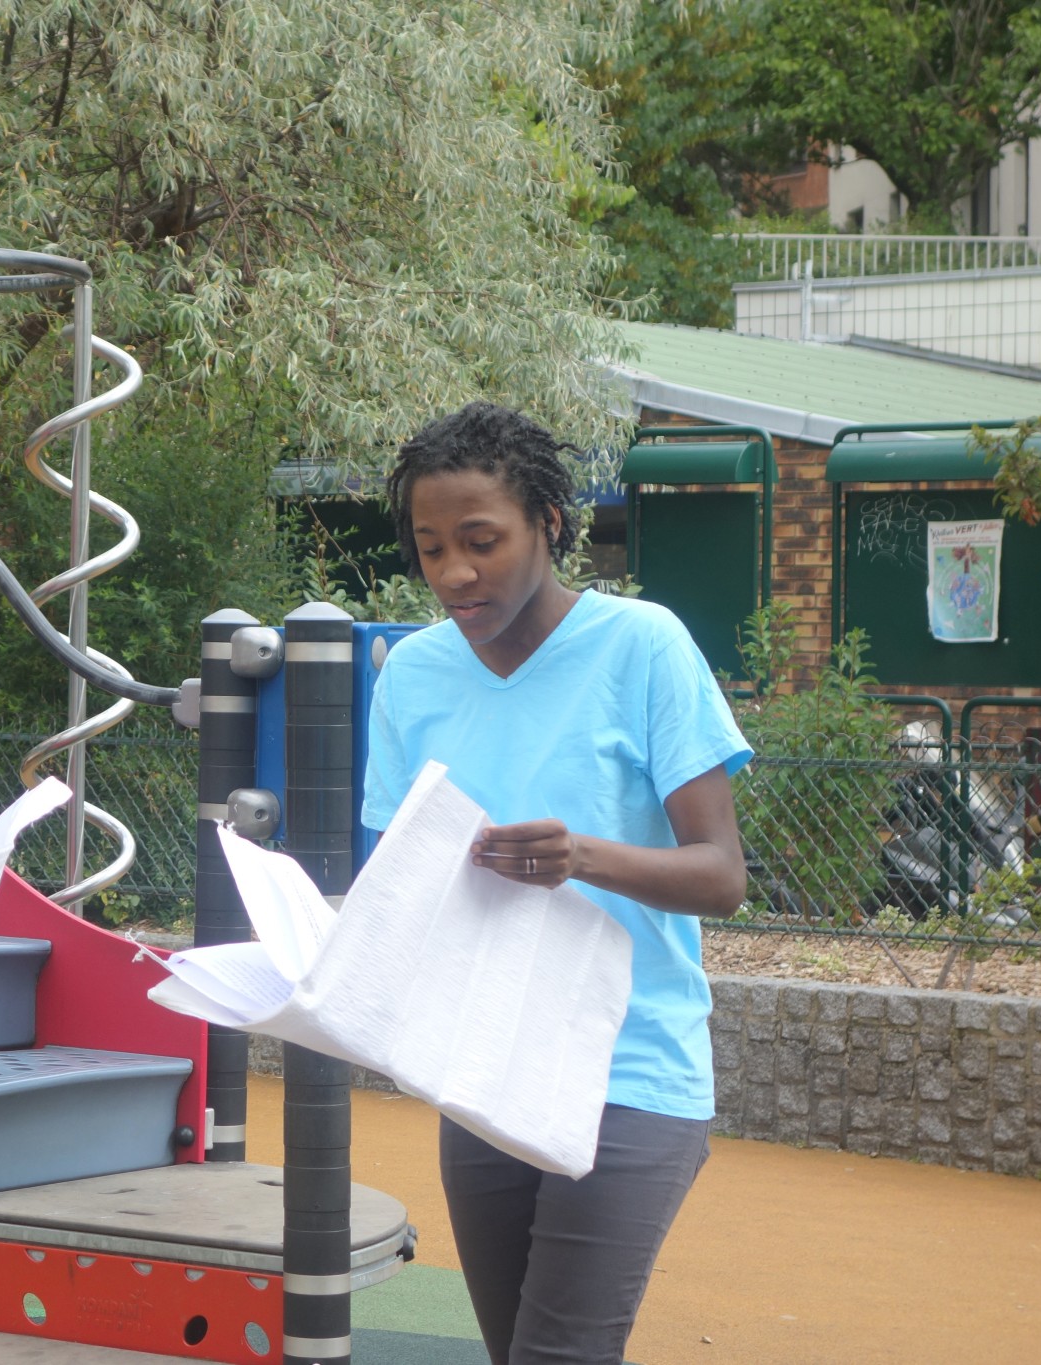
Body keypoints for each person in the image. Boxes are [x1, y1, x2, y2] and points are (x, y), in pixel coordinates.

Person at [362, 401, 751, 1365]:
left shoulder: (644, 646)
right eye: (431, 547)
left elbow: (723, 875)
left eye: (482, 541)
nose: (455, 572)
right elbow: (395, 880)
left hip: (629, 1071)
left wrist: (580, 857)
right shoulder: (411, 675)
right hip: (484, 1067)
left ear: (551, 523)